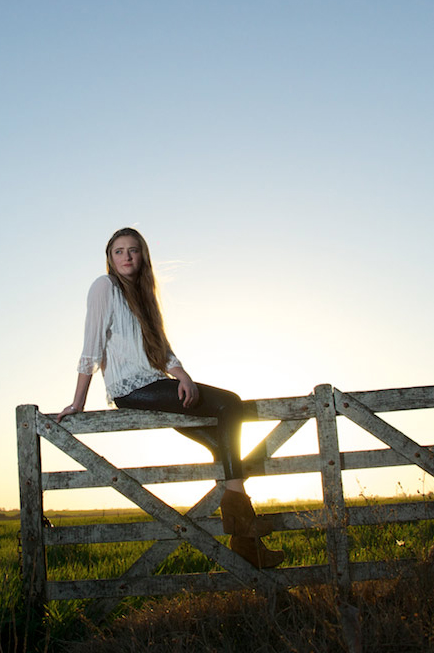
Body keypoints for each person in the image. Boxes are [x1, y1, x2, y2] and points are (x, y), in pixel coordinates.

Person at [57, 227, 283, 568]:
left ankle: (247, 545)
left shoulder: (145, 295)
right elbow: (91, 347)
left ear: (143, 256)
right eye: (119, 251)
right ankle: (241, 518)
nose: (127, 256)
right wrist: (78, 403)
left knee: (221, 442)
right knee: (230, 403)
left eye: (133, 250)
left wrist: (182, 376)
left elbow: (162, 348)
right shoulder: (104, 287)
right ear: (110, 257)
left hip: (154, 382)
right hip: (131, 388)